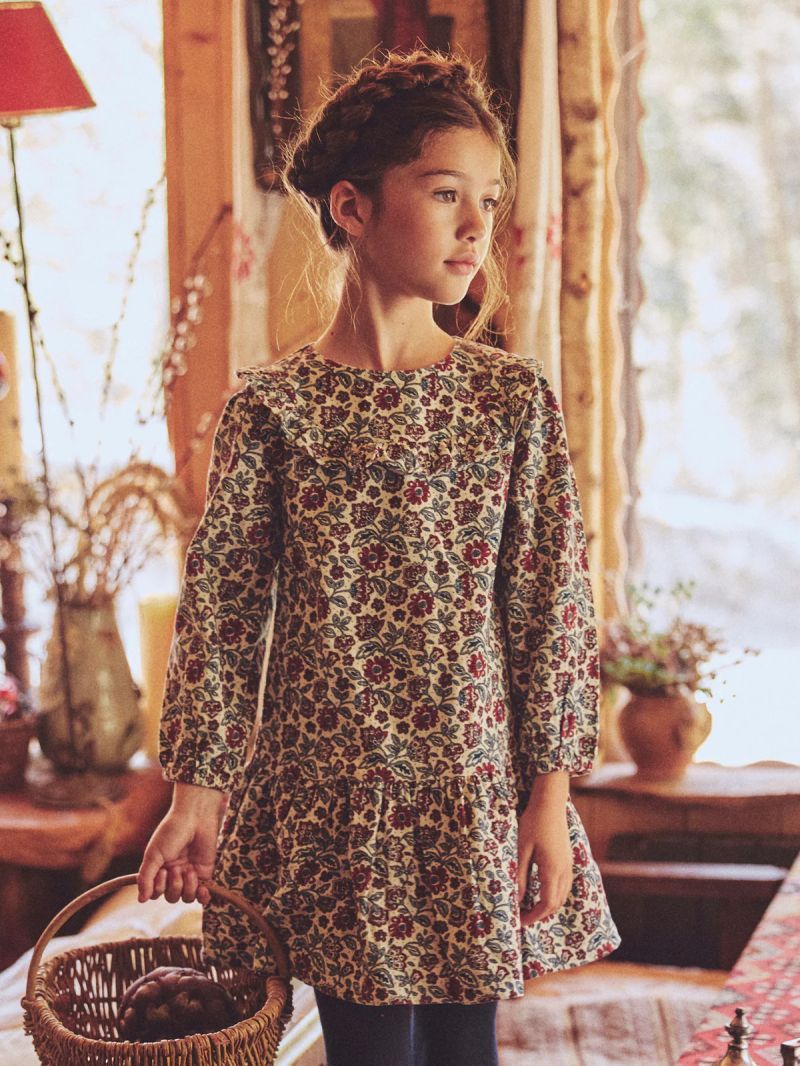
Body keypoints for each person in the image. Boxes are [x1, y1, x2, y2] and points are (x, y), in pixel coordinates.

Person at [137, 47, 620, 1066]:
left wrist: (550, 793)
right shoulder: (274, 410)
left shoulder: (509, 400)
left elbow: (550, 611)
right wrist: (195, 794)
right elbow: (222, 615)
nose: (476, 225)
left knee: (465, 1051)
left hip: (472, 797)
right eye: (445, 194)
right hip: (333, 810)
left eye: (488, 199)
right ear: (353, 207)